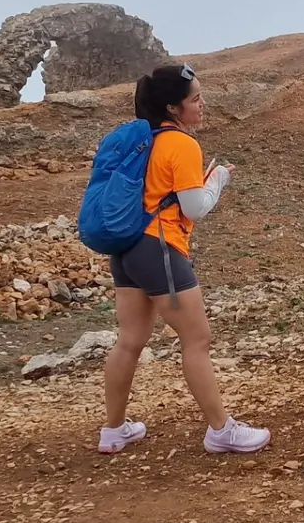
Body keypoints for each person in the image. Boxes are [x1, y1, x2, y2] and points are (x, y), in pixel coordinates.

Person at [99, 64, 272, 456]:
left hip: (126, 250)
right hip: (159, 248)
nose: (202, 104)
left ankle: (113, 431)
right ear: (173, 108)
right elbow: (195, 208)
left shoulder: (143, 142)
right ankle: (221, 431)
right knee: (196, 339)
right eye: (195, 98)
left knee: (130, 339)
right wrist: (218, 180)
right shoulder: (181, 144)